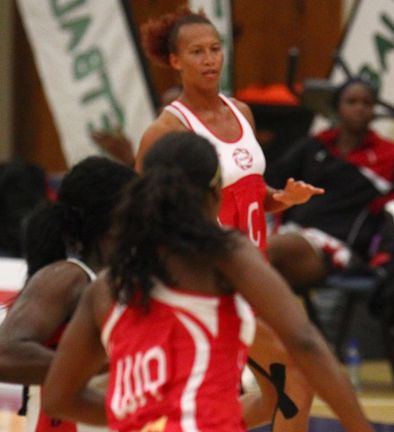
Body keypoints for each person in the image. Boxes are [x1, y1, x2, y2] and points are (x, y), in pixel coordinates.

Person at [40, 132, 374, 432]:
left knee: (280, 392)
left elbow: (57, 397)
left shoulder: (107, 284)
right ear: (214, 193)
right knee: (289, 383)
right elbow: (304, 343)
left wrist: (140, 418)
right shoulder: (225, 257)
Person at [133, 8, 324, 431]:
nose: (209, 59)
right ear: (175, 61)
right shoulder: (167, 130)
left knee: (273, 395)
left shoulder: (241, 112)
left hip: (255, 272)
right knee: (299, 373)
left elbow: (250, 195)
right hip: (211, 281)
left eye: (215, 49)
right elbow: (138, 212)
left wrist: (282, 198)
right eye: (196, 52)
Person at [0, 156, 136, 431]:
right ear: (114, 219)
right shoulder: (68, 277)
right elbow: (2, 357)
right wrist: (100, 365)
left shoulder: (123, 283)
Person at [265, 77, 394, 293]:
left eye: (366, 103)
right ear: (337, 108)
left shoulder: (389, 155)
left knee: (265, 251)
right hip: (293, 232)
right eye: (352, 102)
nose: (359, 108)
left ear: (374, 111)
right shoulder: (314, 146)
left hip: (338, 248)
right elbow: (272, 179)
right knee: (242, 253)